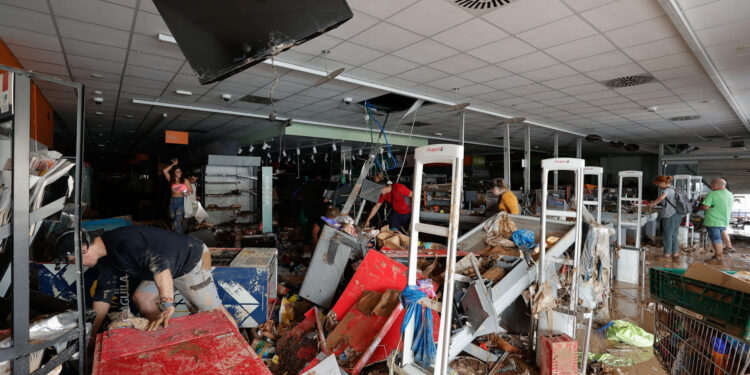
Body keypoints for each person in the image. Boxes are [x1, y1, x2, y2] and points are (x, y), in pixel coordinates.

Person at [55, 226, 236, 343]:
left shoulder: (123, 243)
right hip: (164, 268)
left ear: (83, 250)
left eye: (74, 261)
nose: (78, 266)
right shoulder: (106, 258)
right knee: (142, 298)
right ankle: (168, 339)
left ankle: (238, 346)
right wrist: (92, 336)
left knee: (213, 313)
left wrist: (167, 302)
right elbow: (103, 297)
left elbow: (161, 267)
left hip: (189, 259)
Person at [698, 178, 734, 262]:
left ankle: (718, 256)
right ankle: (729, 247)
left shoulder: (712, 194)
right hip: (724, 220)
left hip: (713, 220)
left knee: (716, 238)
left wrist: (698, 207)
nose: (710, 186)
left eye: (711, 185)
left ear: (715, 185)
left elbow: (705, 207)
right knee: (722, 233)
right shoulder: (730, 194)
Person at [648, 176, 682, 260]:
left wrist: (652, 203)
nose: (658, 186)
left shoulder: (667, 190)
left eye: (658, 184)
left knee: (667, 235)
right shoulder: (674, 189)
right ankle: (675, 253)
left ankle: (667, 254)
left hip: (670, 216)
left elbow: (661, 198)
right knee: (673, 235)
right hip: (678, 215)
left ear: (663, 182)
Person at [162, 158, 192, 233]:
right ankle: (178, 235)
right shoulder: (171, 180)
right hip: (172, 201)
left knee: (177, 221)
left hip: (181, 201)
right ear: (174, 173)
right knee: (172, 220)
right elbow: (164, 171)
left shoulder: (185, 180)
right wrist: (173, 164)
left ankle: (179, 237)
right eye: (177, 171)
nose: (180, 173)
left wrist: (186, 193)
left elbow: (191, 191)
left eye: (180, 171)